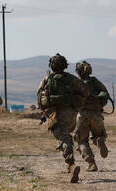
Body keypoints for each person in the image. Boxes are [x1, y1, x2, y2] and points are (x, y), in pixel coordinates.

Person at [37, 53, 89, 183]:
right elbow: (86, 91)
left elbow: (40, 99)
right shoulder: (72, 79)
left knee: (64, 140)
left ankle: (72, 164)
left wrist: (45, 113)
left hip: (55, 115)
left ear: (51, 66)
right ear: (65, 65)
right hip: (71, 115)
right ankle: (69, 165)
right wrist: (77, 102)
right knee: (66, 136)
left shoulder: (46, 80)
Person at [74, 61, 110, 172]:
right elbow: (105, 95)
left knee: (81, 141)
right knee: (98, 135)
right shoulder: (95, 81)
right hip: (96, 114)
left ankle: (91, 163)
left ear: (79, 72)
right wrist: (99, 105)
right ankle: (99, 140)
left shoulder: (76, 84)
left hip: (82, 116)